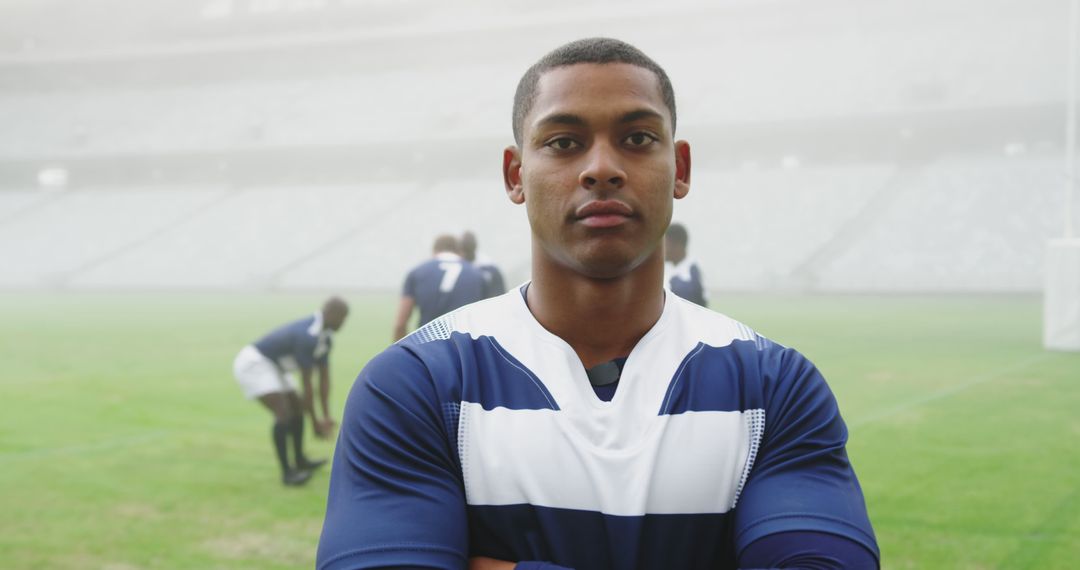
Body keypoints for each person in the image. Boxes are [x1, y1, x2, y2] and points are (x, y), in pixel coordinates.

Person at [319, 38, 878, 569]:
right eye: (564, 142)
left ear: (680, 169)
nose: (601, 168)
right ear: (516, 175)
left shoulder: (774, 387)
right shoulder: (416, 386)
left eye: (637, 138)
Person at [232, 296, 348, 486]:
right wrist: (314, 422)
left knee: (297, 408)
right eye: (342, 318)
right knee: (284, 413)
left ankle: (300, 460)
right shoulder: (307, 336)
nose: (344, 323)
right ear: (330, 314)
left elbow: (324, 380)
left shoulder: (325, 339)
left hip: (276, 366)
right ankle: (288, 473)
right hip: (256, 363)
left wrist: (325, 417)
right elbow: (308, 384)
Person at [392, 234, 487, 341]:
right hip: (464, 348)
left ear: (434, 250)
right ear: (459, 251)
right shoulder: (477, 274)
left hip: (427, 346)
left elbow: (400, 324)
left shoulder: (417, 272)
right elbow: (485, 319)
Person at [664, 222, 708, 306]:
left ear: (677, 245)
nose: (662, 250)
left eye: (665, 244)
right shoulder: (672, 269)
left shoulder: (690, 275)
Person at [461, 230, 508, 299]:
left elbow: (500, 294)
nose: (464, 253)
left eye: (466, 250)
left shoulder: (490, 268)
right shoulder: (491, 265)